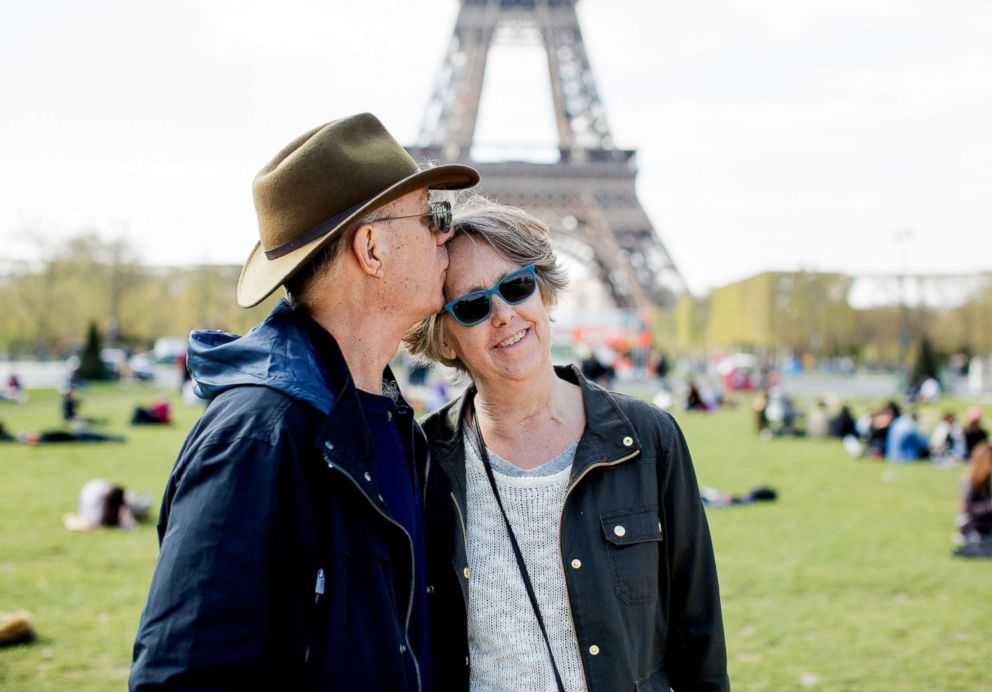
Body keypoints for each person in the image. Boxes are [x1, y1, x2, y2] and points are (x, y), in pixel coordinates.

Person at [129, 113, 479, 690]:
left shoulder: (390, 423)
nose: (447, 234)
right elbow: (183, 674)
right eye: (432, 216)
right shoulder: (257, 436)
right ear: (372, 248)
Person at [404, 195, 727, 691]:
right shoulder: (423, 458)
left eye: (516, 286)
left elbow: (698, 632)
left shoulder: (649, 437)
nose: (504, 314)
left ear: (545, 294)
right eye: (471, 306)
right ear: (445, 340)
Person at [956, 442, 992, 546]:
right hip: (973, 526)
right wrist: (988, 506)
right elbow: (967, 509)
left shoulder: (985, 480)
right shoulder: (970, 481)